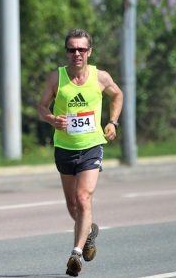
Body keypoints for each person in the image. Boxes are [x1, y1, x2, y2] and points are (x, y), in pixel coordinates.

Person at [37, 29, 123, 276]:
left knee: (84, 197)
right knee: (73, 205)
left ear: (89, 52)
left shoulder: (100, 77)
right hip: (64, 148)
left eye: (81, 49)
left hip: (92, 146)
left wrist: (113, 122)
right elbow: (42, 107)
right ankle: (87, 236)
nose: (77, 53)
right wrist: (52, 119)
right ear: (66, 52)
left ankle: (75, 254)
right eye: (72, 49)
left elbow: (118, 94)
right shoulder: (57, 78)